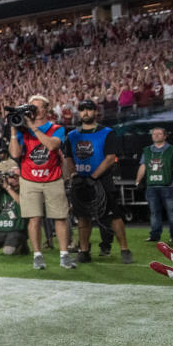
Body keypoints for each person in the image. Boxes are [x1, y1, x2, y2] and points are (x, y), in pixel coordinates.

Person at [8, 94, 76, 270]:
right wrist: (14, 131)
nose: (35, 110)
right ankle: (37, 255)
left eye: (39, 107)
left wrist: (32, 127)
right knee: (34, 218)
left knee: (60, 217)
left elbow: (52, 146)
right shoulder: (23, 131)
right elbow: (15, 154)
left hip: (53, 178)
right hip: (30, 180)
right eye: (32, 107)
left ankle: (64, 255)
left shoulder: (56, 128)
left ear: (47, 110)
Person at [64, 100, 133, 263]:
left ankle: (125, 250)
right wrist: (74, 175)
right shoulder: (72, 135)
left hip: (102, 181)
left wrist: (93, 177)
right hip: (80, 182)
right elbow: (67, 158)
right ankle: (84, 251)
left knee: (114, 216)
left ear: (96, 112)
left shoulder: (107, 132)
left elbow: (110, 159)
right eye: (82, 109)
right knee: (82, 218)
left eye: (89, 109)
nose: (85, 112)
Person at [135, 127, 173, 243]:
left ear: (165, 136)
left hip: (168, 186)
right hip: (151, 186)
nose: (156, 136)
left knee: (172, 212)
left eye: (159, 134)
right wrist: (137, 181)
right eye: (154, 134)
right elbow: (143, 166)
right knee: (154, 213)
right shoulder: (146, 150)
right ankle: (154, 236)